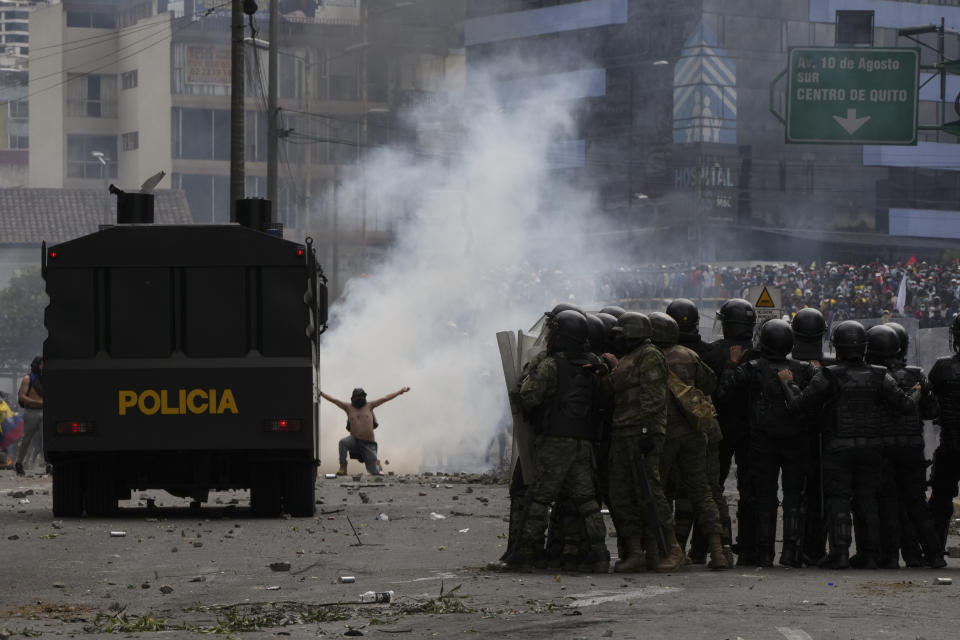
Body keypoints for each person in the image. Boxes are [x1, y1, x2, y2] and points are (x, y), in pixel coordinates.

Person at [779, 321, 919, 569]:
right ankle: (871, 554)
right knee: (868, 499)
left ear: (838, 347)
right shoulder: (880, 374)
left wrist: (787, 383)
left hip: (838, 447)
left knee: (838, 499)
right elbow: (906, 405)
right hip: (872, 447)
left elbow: (798, 404)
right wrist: (918, 390)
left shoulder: (829, 374)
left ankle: (840, 552)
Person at [508, 310, 610, 573]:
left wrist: (530, 371)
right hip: (583, 442)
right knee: (587, 502)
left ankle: (527, 554)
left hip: (555, 442)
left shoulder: (551, 365)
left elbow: (529, 396)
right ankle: (599, 554)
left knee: (539, 499)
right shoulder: (596, 367)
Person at [718, 319, 815, 567]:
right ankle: (791, 553)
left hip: (763, 441)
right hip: (796, 440)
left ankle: (764, 553)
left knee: (764, 498)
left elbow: (724, 392)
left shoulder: (752, 368)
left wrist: (731, 363)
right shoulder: (803, 369)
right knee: (795, 496)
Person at [649, 311, 728, 570]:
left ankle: (670, 549)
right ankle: (719, 550)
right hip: (695, 432)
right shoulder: (689, 355)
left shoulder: (648, 358)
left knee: (659, 492)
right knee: (702, 491)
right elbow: (709, 383)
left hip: (664, 433)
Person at [864, 324, 944, 569]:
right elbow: (932, 411)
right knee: (916, 503)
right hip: (911, 446)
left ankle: (889, 557)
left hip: (883, 446)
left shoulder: (871, 375)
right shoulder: (917, 374)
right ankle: (931, 555)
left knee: (887, 502)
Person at [604, 312, 674, 572]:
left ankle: (664, 550)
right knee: (622, 493)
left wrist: (646, 431)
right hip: (622, 432)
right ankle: (635, 551)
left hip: (640, 432)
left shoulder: (649, 354)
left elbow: (653, 397)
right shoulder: (627, 357)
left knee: (650, 492)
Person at [710, 298, 759, 565]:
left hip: (720, 428)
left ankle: (714, 545)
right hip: (752, 430)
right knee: (750, 489)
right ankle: (751, 547)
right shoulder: (761, 353)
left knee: (712, 488)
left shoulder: (713, 352)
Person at [320, 386, 410, 476]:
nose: (360, 399)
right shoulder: (348, 407)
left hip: (368, 443)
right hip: (354, 440)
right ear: (353, 398)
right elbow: (334, 400)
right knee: (342, 442)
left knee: (374, 472)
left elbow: (385, 398)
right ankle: (343, 467)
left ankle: (377, 464)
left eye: (362, 396)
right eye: (358, 396)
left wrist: (400, 391)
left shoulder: (370, 405)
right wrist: (321, 393)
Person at [928, 313, 960, 552]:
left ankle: (934, 550)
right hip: (950, 441)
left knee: (941, 498)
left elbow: (930, 403)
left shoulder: (943, 367)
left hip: (951, 443)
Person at [15, 356, 43, 477]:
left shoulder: (47, 379)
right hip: (31, 412)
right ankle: (19, 463)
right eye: (42, 364)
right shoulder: (28, 379)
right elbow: (21, 396)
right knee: (27, 439)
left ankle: (49, 464)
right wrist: (37, 403)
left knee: (45, 439)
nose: (43, 367)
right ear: (37, 365)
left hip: (45, 412)